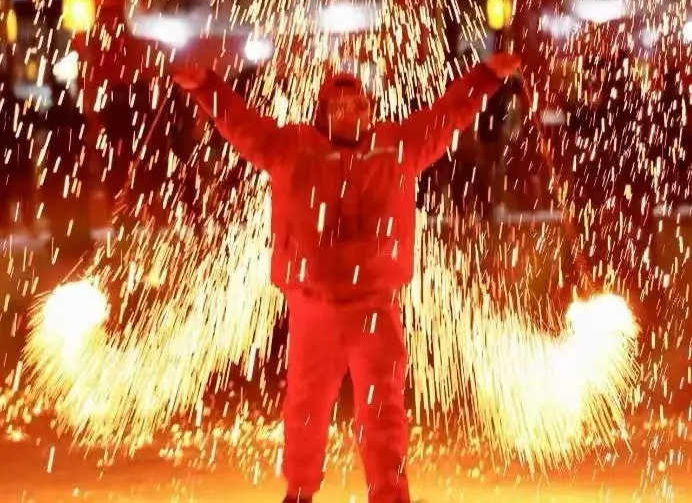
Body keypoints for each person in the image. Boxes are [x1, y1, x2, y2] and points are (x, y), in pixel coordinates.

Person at [172, 53, 520, 503]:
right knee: (305, 407)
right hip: (314, 304)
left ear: (370, 110)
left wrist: (487, 76)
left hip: (374, 304)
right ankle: (298, 491)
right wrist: (204, 86)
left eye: (357, 105)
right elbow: (240, 124)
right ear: (322, 112)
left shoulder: (397, 146)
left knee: (383, 410)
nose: (349, 113)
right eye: (338, 106)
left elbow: (448, 115)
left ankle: (390, 493)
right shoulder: (292, 147)